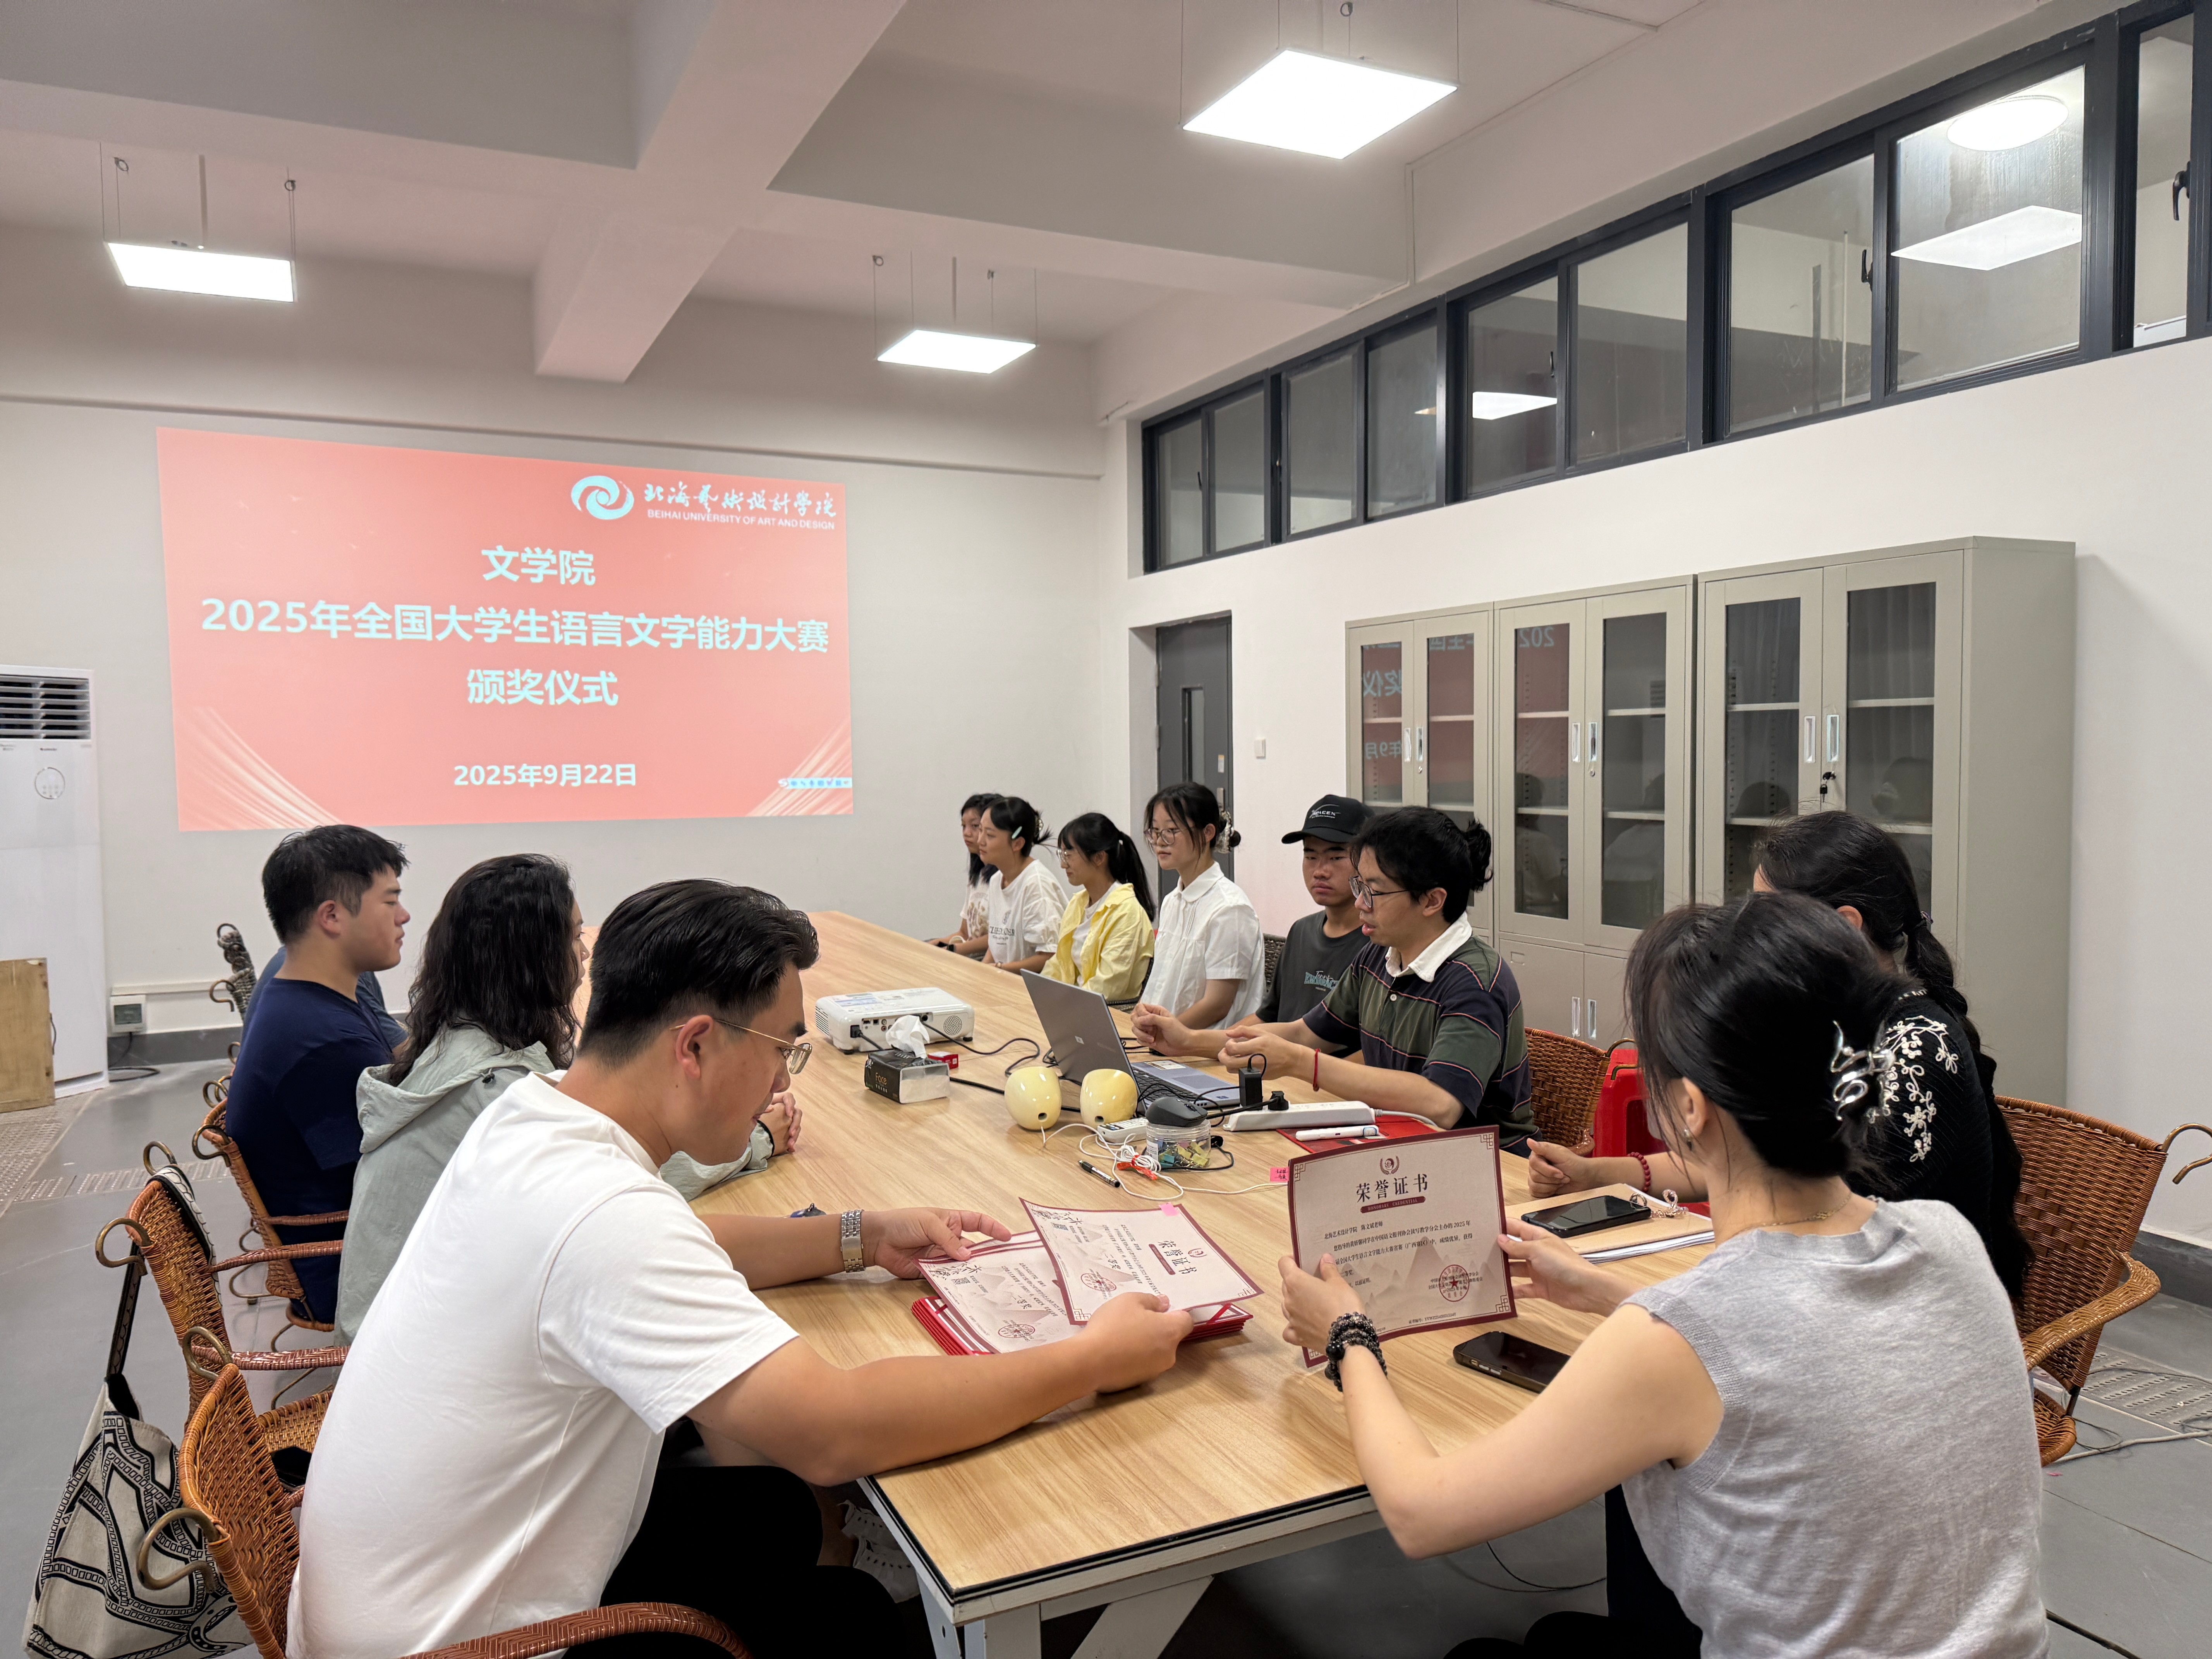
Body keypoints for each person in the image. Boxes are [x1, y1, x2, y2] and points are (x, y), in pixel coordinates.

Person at [291, 880, 1192, 1659]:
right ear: (694, 1046)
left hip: (386, 1605)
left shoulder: (530, 1117)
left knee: (771, 1511)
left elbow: (682, 1242)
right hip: (464, 1644)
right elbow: (835, 1430)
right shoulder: (603, 1215)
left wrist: (860, 1235)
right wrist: (1093, 1357)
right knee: (851, 1618)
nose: (783, 1081)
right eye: (782, 1048)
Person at [1277, 892, 2048, 1659]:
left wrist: (1348, 1335)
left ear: (1689, 1107)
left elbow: (1422, 1513)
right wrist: (1603, 1291)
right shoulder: (1946, 1235)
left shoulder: (1676, 1339)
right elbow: (1773, 1346)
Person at [1527, 809, 2030, 1298]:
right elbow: (1755, 1158)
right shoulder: (1827, 1023)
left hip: (1892, 1308)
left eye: (1769, 916)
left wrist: (1618, 1294)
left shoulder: (1916, 1047)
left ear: (1846, 927)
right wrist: (1598, 1174)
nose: (1748, 935)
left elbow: (1819, 1239)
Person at [1140, 807, 1534, 1138]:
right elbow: (1304, 1034)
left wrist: (1302, 1064)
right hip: (1395, 1141)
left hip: (1486, 1168)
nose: (1361, 903)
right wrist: (1189, 1041)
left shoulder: (1474, 981)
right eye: (1360, 886)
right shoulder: (1379, 957)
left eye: (1374, 891)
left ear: (1432, 900)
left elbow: (1440, 1104)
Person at [223, 825, 408, 1325]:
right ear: (332, 916)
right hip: (349, 1268)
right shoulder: (324, 1042)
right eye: (390, 901)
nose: (404, 916)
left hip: (351, 1243)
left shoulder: (304, 1000)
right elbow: (394, 1182)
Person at [1131, 782, 1265, 1029]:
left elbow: (1218, 1005)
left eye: (1171, 831)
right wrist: (1143, 1012)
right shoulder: (1173, 901)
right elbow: (1163, 982)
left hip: (1206, 1046)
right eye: (1155, 831)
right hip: (1163, 1039)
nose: (1160, 842)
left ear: (1207, 833)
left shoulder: (1230, 909)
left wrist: (1166, 1033)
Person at [1042, 812, 1155, 1002]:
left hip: (1105, 1011)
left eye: (1068, 855)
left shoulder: (1127, 911)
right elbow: (1060, 964)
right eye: (1062, 855)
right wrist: (1040, 993)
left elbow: (1107, 985)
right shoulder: (1079, 903)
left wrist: (1061, 1003)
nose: (1063, 864)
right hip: (1075, 1004)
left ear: (1099, 858)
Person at [979, 795, 1069, 975]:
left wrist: (999, 970)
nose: (980, 840)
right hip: (1004, 980)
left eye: (990, 835)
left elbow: (1050, 956)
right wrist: (980, 972)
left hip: (1030, 988)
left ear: (1018, 843)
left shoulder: (1037, 885)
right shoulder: (997, 880)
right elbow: (997, 945)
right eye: (980, 830)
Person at [926, 792, 1001, 958]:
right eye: (963, 826)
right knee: (924, 947)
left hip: (988, 958)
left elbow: (998, 939)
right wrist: (935, 944)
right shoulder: (977, 875)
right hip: (970, 952)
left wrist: (953, 950)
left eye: (975, 826)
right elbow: (965, 933)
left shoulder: (1004, 878)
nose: (967, 833)